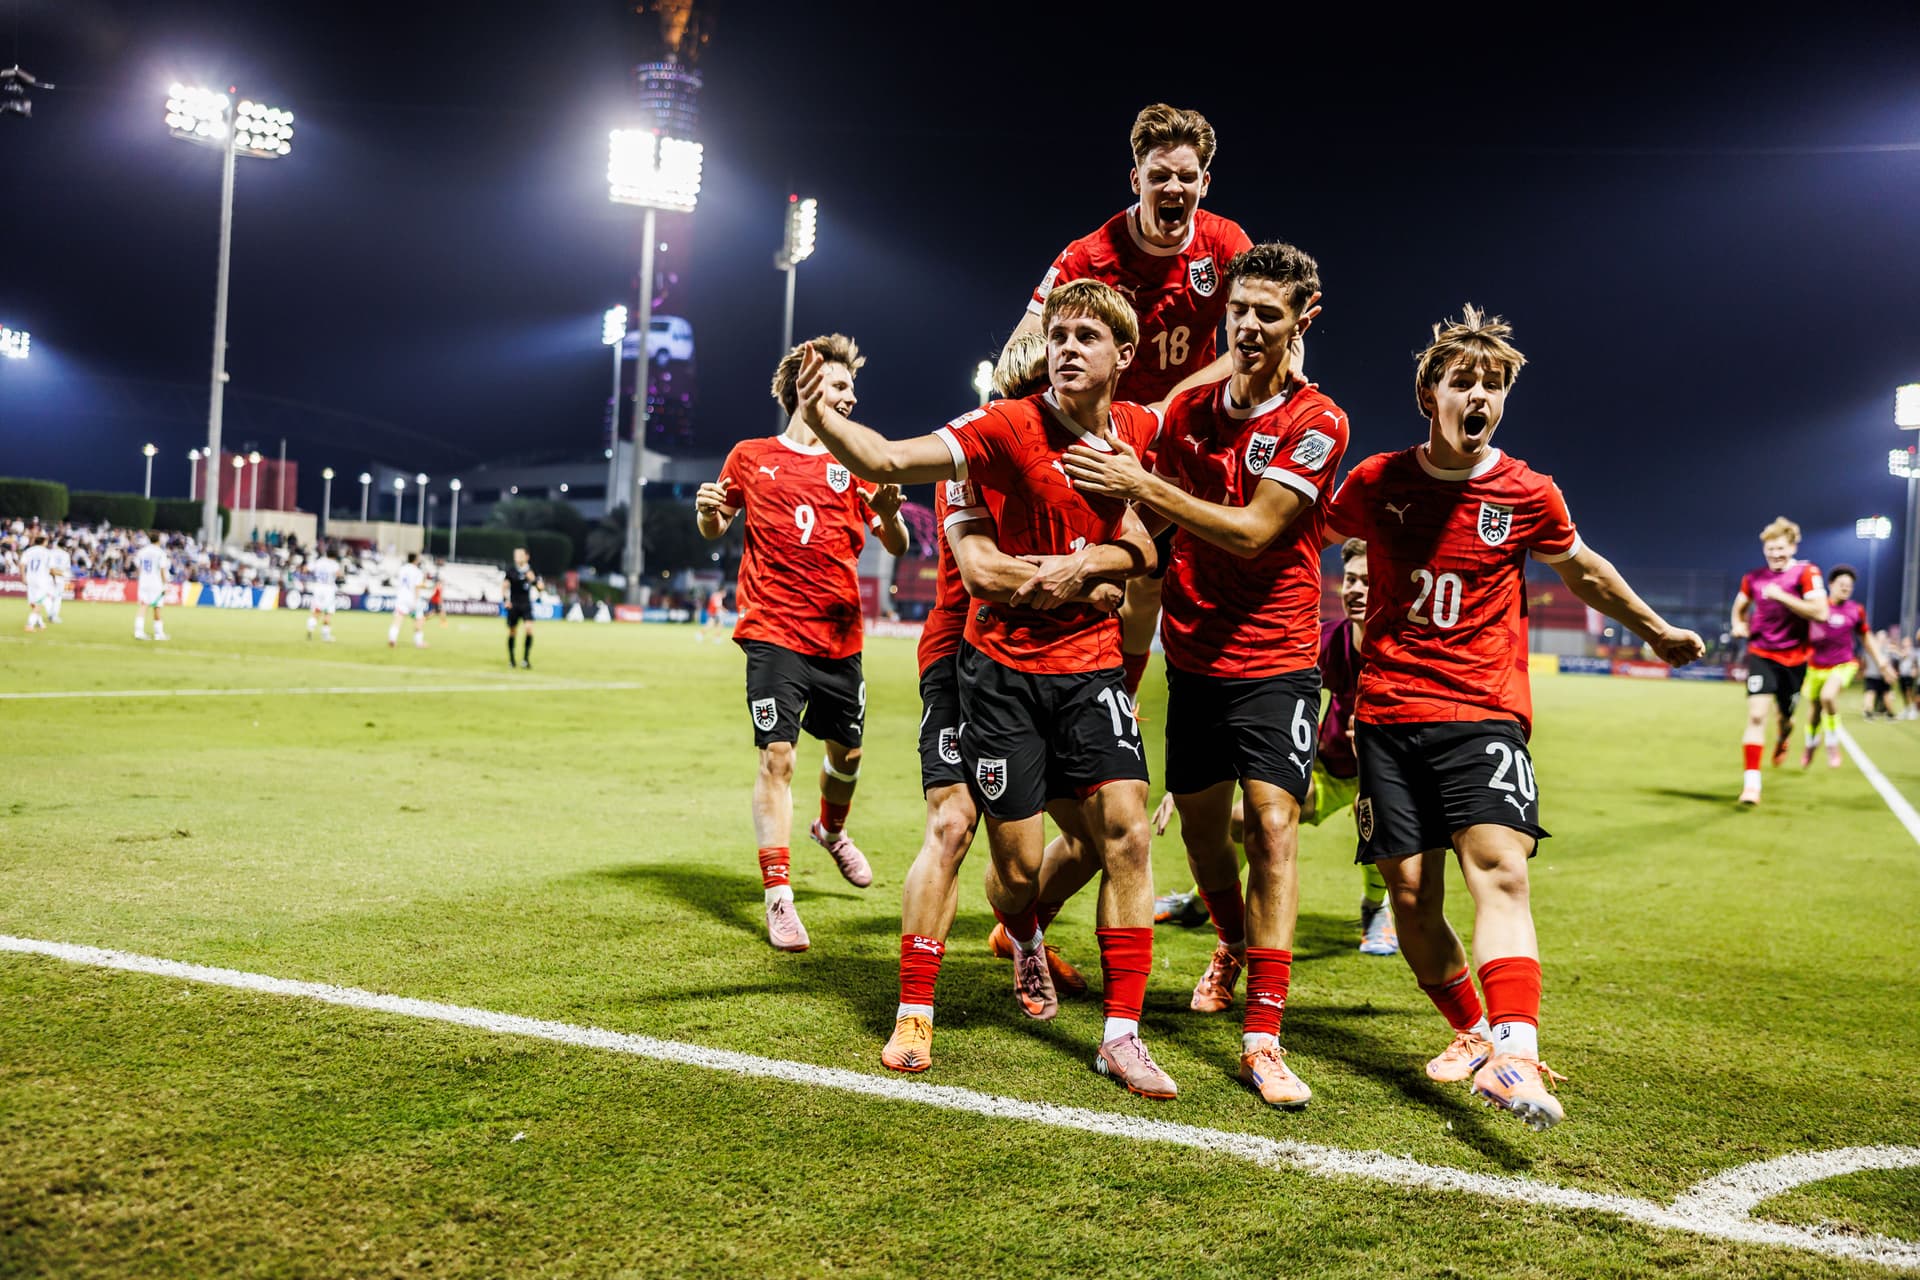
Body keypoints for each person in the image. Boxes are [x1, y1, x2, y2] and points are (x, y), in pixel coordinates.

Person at [1321, 305, 1703, 1131]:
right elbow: (1291, 534)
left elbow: (1586, 572)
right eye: (1464, 381)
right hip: (1387, 715)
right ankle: (1472, 1033)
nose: (1480, 397)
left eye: (1493, 385)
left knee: (1500, 869)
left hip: (1483, 712)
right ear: (1429, 395)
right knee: (1410, 898)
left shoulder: (1528, 491)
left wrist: (1657, 631)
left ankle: (1517, 1049)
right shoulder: (1378, 481)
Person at [797, 281, 1176, 1098]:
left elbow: (1149, 547)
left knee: (1123, 834)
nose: (1061, 356)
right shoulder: (996, 435)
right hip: (983, 666)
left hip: (1090, 670)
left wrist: (1096, 562)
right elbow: (976, 566)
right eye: (1055, 341)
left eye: (1082, 339)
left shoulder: (1133, 433)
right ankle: (1004, 945)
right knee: (991, 849)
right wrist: (822, 419)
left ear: (1120, 357)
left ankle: (1121, 1032)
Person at [1062, 241, 1342, 1108]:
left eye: (1268, 313)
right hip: (1193, 655)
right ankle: (1231, 941)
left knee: (1273, 828)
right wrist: (1099, 559)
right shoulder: (1186, 414)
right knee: (1203, 836)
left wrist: (1144, 485)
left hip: (1277, 655)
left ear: (1304, 318)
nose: (1248, 326)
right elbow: (1149, 523)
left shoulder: (1318, 420)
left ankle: (1264, 1037)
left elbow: (1255, 531)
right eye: (1239, 310)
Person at [882, 332, 1101, 1073]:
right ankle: (915, 1013)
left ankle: (1022, 930)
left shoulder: (1086, 459)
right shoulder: (976, 456)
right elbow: (983, 571)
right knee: (951, 825)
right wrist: (1086, 575)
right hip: (961, 657)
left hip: (1057, 667)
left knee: (1097, 837)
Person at [1007, 103, 1255, 703]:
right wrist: (1030, 376)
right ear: (1135, 179)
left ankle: (1123, 700)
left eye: (1186, 177)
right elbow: (1024, 341)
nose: (1173, 188)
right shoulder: (1089, 255)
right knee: (1088, 576)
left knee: (1146, 585)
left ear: (1204, 183)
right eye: (1159, 175)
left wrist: (1172, 402)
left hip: (1180, 439)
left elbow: (1248, 348)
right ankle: (1045, 688)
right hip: (1099, 440)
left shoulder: (1225, 244)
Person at [694, 334, 911, 952]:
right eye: (840, 385)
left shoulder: (860, 461)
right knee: (778, 757)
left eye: (851, 387)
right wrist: (706, 510)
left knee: (848, 755)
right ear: (805, 388)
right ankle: (779, 897)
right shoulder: (750, 456)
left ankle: (831, 830)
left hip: (839, 637)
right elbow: (715, 525)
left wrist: (889, 514)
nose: (852, 396)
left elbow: (896, 545)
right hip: (772, 631)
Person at [1730, 518, 1828, 804]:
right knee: (1757, 715)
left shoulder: (1807, 572)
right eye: (1770, 549)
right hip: (1762, 653)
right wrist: (1738, 624)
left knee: (1786, 718)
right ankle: (1752, 785)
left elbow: (1821, 612)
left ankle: (1783, 737)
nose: (1775, 554)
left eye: (1781, 548)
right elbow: (1739, 608)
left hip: (1795, 658)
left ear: (1793, 547)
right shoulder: (1753, 578)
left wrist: (1782, 596)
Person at [1801, 566, 1891, 766]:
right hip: (1816, 666)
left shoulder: (1856, 610)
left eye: (1849, 586)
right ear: (1830, 585)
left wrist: (1882, 662)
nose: (1845, 588)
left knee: (1828, 696)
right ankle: (1810, 744)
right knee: (1814, 712)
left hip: (1843, 664)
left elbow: (1866, 636)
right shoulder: (1817, 607)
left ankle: (1831, 742)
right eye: (1841, 584)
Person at [504, 547, 539, 667]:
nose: (517, 557)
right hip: (514, 605)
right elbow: (504, 586)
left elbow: (541, 587)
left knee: (529, 629)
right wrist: (506, 600)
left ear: (527, 557)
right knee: (512, 631)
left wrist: (534, 580)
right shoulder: (511, 570)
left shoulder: (532, 570)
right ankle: (512, 660)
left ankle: (525, 659)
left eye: (519, 555)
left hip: (526, 604)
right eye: (516, 555)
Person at [132, 533, 170, 641]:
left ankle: (138, 632)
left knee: (143, 606)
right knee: (157, 607)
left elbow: (137, 566)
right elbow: (162, 570)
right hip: (155, 583)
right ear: (158, 540)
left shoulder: (142, 551)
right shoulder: (160, 553)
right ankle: (159, 634)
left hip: (143, 582)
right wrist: (165, 584)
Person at [388, 552, 428, 649]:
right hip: (412, 598)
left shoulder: (402, 569)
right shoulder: (417, 571)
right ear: (415, 560)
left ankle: (392, 639)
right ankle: (419, 643)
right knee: (418, 620)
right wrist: (416, 600)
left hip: (401, 597)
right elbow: (417, 587)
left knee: (398, 619)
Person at [21, 531, 52, 632]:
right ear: (44, 542)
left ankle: (40, 623)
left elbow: (22, 564)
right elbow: (51, 568)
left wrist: (23, 577)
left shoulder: (29, 551)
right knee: (39, 603)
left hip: (30, 579)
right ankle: (29, 625)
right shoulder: (47, 552)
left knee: (33, 603)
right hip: (41, 580)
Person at [306, 548, 339, 642]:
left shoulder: (319, 561)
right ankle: (325, 635)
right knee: (328, 612)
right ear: (335, 556)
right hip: (329, 588)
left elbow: (306, 569)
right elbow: (338, 574)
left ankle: (310, 629)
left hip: (318, 587)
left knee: (317, 610)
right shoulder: (334, 564)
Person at [47, 537, 70, 625]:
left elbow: (48, 566)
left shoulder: (50, 552)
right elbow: (67, 569)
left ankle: (50, 614)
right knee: (57, 598)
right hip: (60, 577)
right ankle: (53, 616)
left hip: (49, 576)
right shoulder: (66, 555)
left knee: (48, 597)